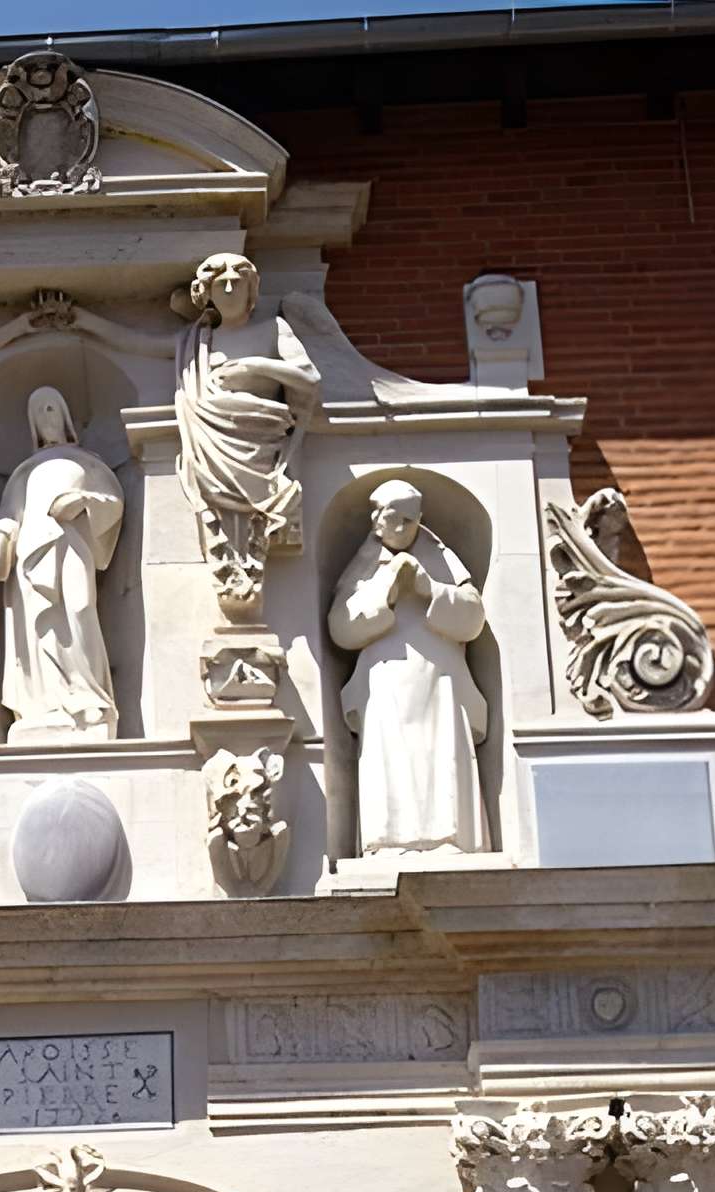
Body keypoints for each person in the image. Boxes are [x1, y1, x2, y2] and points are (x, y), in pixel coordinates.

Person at [328, 480, 488, 855]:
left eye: (400, 519)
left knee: (441, 748)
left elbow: (473, 617)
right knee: (388, 753)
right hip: (383, 678)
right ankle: (386, 840)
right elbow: (341, 628)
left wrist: (428, 587)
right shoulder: (363, 569)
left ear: (415, 521)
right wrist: (386, 593)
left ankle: (451, 837)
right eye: (383, 517)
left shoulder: (439, 560)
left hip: (440, 676)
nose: (387, 526)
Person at [174, 252, 320, 621]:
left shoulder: (273, 329)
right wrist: (86, 324)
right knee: (226, 524)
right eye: (219, 283)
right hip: (211, 446)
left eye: (237, 281)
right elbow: (140, 344)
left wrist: (254, 366)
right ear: (205, 293)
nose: (228, 288)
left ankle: (246, 576)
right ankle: (234, 578)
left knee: (256, 521)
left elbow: (309, 378)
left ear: (251, 288)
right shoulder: (197, 342)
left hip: (261, 444)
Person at [0, 388, 124, 741]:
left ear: (66, 416)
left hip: (73, 542)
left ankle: (88, 696)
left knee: (81, 607)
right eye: (39, 413)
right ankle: (48, 703)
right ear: (33, 425)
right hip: (31, 553)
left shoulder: (87, 463)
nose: (47, 418)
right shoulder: (24, 473)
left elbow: (113, 502)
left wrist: (83, 502)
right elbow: (10, 516)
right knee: (39, 624)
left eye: (51, 409)